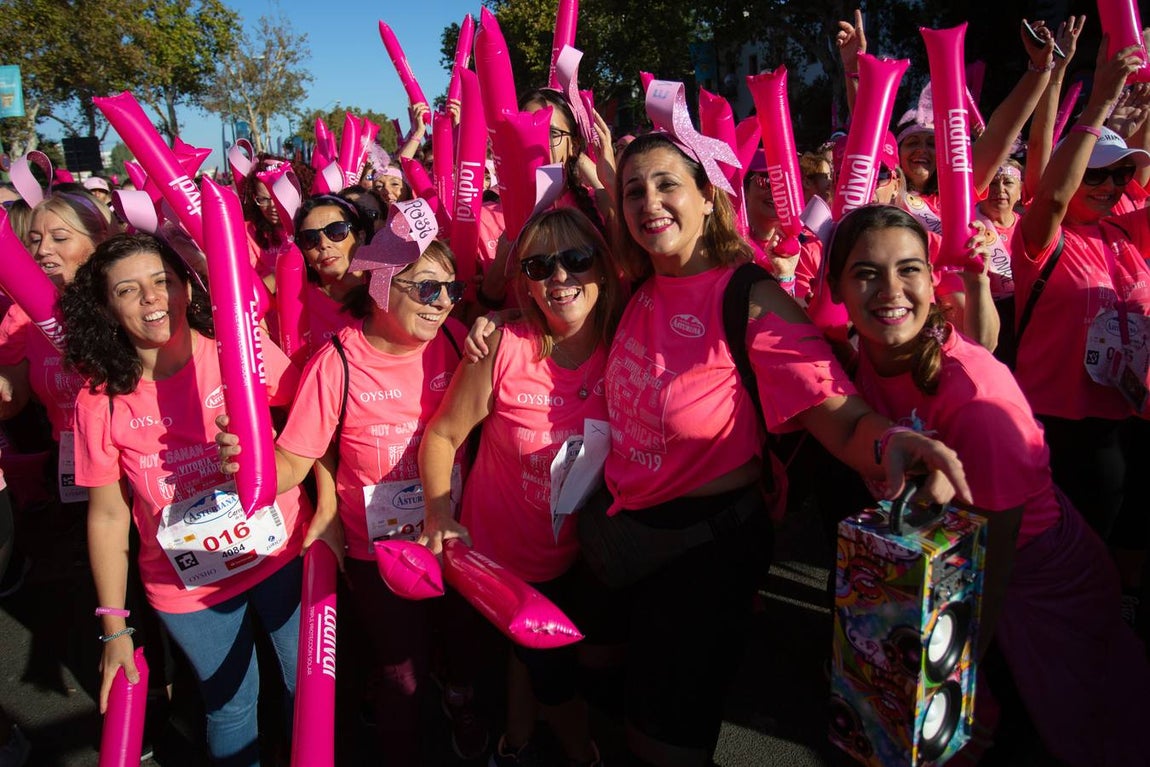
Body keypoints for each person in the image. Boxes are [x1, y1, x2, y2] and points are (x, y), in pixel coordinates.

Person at [593, 108, 967, 766]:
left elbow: (839, 414)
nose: (649, 201)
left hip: (702, 553)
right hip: (622, 535)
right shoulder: (638, 286)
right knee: (610, 700)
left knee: (662, 740)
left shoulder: (751, 297)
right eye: (632, 190)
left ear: (707, 197)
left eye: (667, 184)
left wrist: (891, 443)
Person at [827, 203, 1150, 767]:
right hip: (940, 573)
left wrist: (960, 678)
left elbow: (994, 558)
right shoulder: (858, 358)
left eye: (908, 269)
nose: (890, 290)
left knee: (1061, 738)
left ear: (932, 280)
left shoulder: (977, 400)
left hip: (1035, 587)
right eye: (866, 273)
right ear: (836, 289)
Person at [218, 224, 468, 767]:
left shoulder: (456, 339)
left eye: (453, 289)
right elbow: (294, 461)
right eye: (428, 288)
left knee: (459, 654)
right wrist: (252, 465)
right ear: (380, 287)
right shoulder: (336, 362)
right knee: (403, 675)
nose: (443, 302)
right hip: (377, 554)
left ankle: (462, 715)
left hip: (452, 537)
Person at [63, 233, 308, 767]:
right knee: (232, 707)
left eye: (163, 281)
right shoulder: (99, 402)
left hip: (280, 555)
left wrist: (285, 465)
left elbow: (312, 420)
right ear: (106, 309)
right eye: (128, 290)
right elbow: (107, 517)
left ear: (187, 288)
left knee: (303, 692)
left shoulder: (238, 351)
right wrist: (114, 628)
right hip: (187, 586)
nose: (152, 298)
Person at [420, 208, 626, 767]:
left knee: (539, 657)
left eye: (576, 259)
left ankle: (514, 742)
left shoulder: (626, 342)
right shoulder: (502, 346)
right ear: (525, 282)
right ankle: (583, 757)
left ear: (603, 268)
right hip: (506, 557)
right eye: (539, 266)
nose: (559, 277)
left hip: (584, 554)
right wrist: (438, 513)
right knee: (554, 679)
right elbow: (442, 435)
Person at [1014, 41, 1150, 625]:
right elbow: (1053, 193)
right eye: (1096, 172)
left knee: (1116, 550)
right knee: (1056, 560)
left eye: (1121, 173)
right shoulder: (1041, 234)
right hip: (1056, 427)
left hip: (1124, 422)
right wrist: (1099, 102)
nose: (1110, 184)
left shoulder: (1126, 235)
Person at [292, 195, 367, 362]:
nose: (323, 244)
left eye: (336, 231)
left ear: (360, 237)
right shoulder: (295, 301)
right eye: (310, 238)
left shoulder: (386, 286)